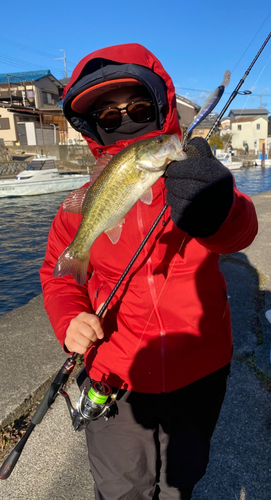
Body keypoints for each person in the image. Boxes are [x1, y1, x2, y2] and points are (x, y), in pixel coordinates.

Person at [40, 43, 258, 500]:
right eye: (109, 117)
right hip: (115, 372)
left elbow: (237, 234)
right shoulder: (77, 205)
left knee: (183, 480)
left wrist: (217, 207)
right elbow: (60, 276)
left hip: (199, 365)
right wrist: (70, 319)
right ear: (92, 129)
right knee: (122, 489)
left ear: (161, 107)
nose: (125, 120)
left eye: (139, 107)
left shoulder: (195, 179)